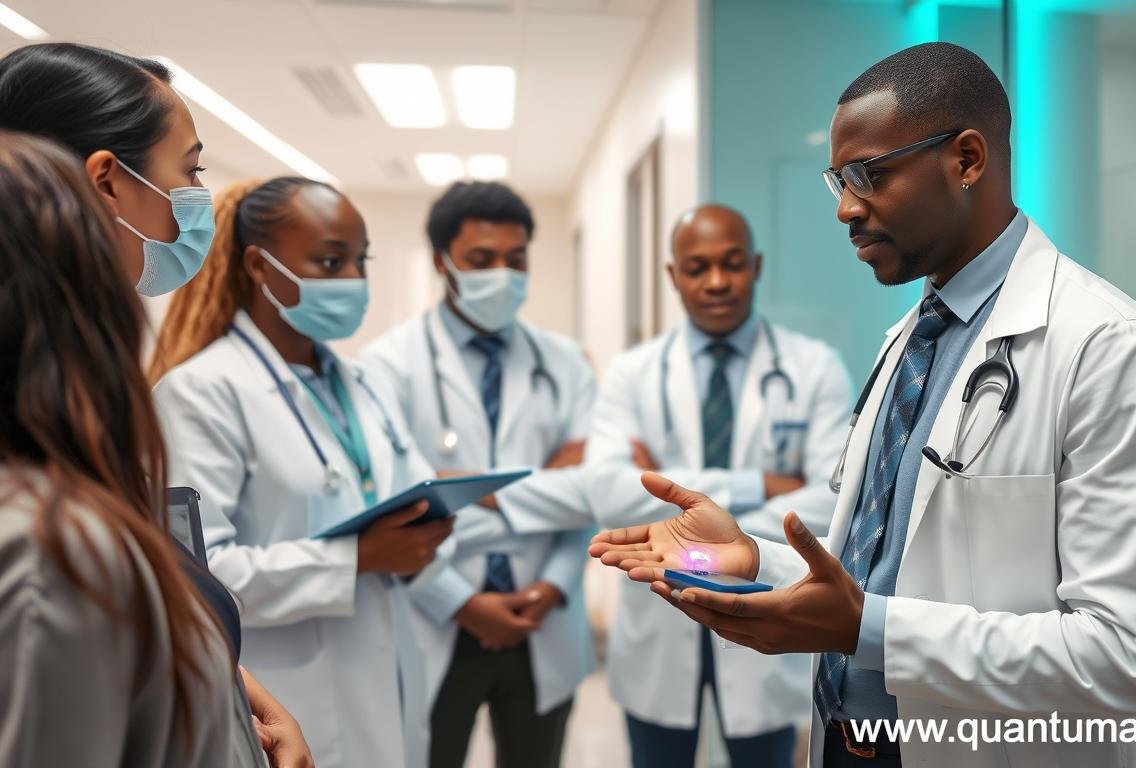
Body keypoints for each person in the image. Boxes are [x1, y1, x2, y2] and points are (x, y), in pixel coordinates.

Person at [592, 42, 1136, 768]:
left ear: (968, 159)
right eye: (839, 181)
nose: (848, 207)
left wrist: (870, 632)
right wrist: (750, 553)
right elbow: (873, 560)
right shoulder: (910, 341)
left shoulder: (1113, 350)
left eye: (870, 175)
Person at [0, 42, 307, 767]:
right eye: (191, 169)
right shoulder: (44, 535)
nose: (198, 195)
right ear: (108, 180)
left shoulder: (77, 408)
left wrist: (230, 689)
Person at [150, 177, 453, 768]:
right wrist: (357, 558)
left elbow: (418, 493)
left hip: (387, 675)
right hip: (287, 699)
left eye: (360, 261)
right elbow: (197, 578)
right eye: (330, 261)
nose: (354, 281)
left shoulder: (364, 384)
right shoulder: (200, 393)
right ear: (260, 267)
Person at [584, 204, 853, 768]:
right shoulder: (631, 374)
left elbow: (832, 498)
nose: (716, 282)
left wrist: (681, 500)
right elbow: (609, 492)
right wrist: (764, 485)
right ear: (672, 275)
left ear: (755, 266)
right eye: (697, 267)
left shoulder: (814, 367)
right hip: (657, 619)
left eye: (732, 265)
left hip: (764, 613)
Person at [361, 181, 595, 768]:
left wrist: (551, 588)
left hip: (544, 610)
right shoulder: (387, 365)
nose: (502, 274)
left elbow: (590, 494)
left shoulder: (564, 362)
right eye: (481, 260)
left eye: (515, 261)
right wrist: (461, 601)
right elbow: (394, 508)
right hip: (434, 613)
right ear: (442, 262)